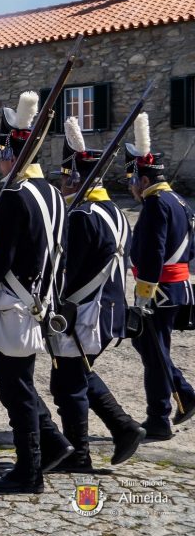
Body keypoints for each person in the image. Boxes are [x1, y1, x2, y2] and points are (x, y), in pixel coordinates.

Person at [0, 92, 73, 494]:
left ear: (11, 149)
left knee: (14, 383)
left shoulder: (14, 195)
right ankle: (53, 444)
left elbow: (2, 258)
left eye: (1, 151)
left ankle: (30, 471)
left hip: (18, 302)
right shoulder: (51, 193)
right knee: (10, 374)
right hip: (40, 298)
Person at [49, 116, 144, 471]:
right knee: (76, 375)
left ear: (74, 175)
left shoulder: (80, 216)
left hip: (85, 313)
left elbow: (67, 270)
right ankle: (123, 428)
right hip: (111, 311)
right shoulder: (114, 211)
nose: (62, 182)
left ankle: (80, 456)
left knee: (68, 385)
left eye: (64, 175)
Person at [125, 112, 195, 440]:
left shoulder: (155, 204)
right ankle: (183, 392)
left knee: (154, 353)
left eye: (131, 180)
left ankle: (159, 419)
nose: (131, 187)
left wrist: (142, 296)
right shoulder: (181, 201)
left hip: (159, 290)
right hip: (178, 285)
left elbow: (153, 252)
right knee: (150, 346)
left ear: (142, 178)